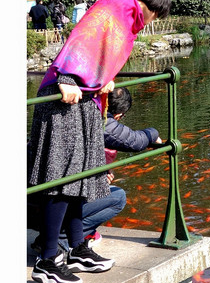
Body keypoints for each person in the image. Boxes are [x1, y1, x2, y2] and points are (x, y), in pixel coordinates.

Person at [28, 0, 171, 283]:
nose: (151, 22)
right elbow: (84, 36)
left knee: (80, 176)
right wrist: (66, 76)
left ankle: (78, 249)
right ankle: (48, 262)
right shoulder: (120, 3)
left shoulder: (129, 17)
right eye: (155, 14)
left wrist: (102, 79)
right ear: (150, 3)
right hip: (64, 94)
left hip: (85, 97)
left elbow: (102, 52)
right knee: (62, 176)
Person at [28, 85, 163, 254]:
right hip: (46, 207)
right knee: (118, 197)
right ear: (119, 115)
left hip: (28, 204)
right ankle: (59, 240)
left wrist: (99, 171)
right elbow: (134, 141)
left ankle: (56, 238)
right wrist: (153, 133)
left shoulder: (64, 114)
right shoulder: (98, 119)